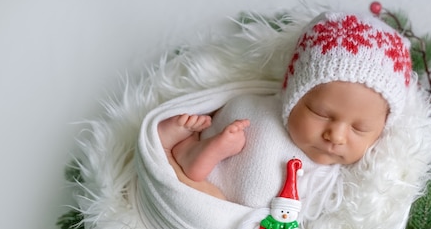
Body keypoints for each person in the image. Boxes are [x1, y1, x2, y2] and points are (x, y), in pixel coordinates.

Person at [156, 11, 412, 208]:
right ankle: (184, 149)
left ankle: (188, 158)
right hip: (219, 154)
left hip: (227, 212)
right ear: (293, 94)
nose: (336, 136)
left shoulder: (332, 181)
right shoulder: (256, 105)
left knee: (213, 203)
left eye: (360, 128)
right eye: (321, 114)